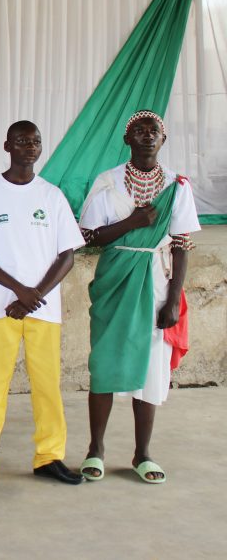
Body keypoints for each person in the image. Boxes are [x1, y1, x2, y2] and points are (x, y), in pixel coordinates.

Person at [0, 121, 86, 487]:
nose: (30, 147)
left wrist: (33, 295)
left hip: (44, 309)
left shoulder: (51, 196)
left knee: (47, 385)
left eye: (35, 141)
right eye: (22, 141)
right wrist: (18, 291)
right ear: (7, 146)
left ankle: (49, 456)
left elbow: (67, 255)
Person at [78, 110, 199, 485]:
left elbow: (181, 245)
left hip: (157, 282)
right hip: (115, 278)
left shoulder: (177, 186)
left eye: (154, 131)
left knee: (151, 366)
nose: (147, 135)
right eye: (139, 130)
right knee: (104, 362)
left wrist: (173, 299)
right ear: (127, 139)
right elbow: (89, 237)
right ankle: (95, 449)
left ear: (163, 140)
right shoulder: (108, 181)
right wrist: (132, 222)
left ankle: (142, 453)